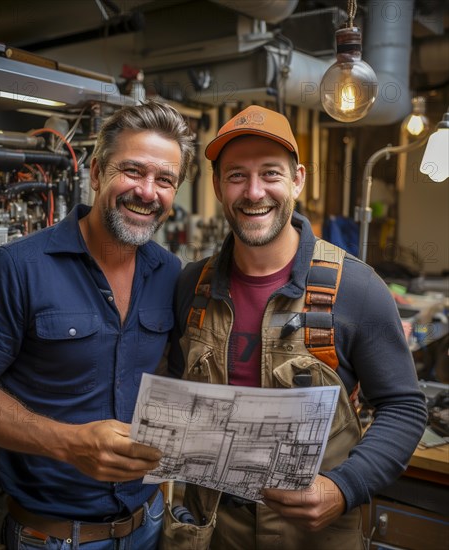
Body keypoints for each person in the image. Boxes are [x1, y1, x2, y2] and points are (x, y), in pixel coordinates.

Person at [165, 105, 427, 550]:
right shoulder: (192, 285)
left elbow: (404, 407)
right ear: (216, 186)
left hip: (313, 535)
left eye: (270, 174)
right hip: (212, 531)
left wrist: (343, 488)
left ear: (298, 180)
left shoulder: (355, 288)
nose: (254, 192)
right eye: (236, 176)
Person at [0, 100, 195, 549]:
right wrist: (67, 443)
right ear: (96, 173)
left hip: (150, 523)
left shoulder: (170, 272)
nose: (147, 191)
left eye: (165, 180)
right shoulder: (19, 267)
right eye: (133, 171)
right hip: (54, 537)